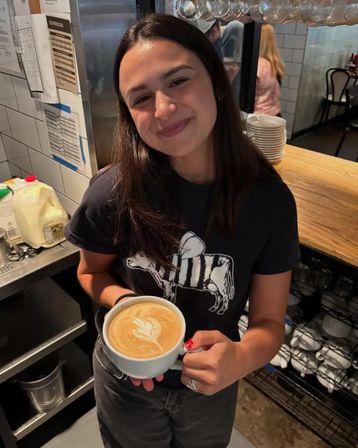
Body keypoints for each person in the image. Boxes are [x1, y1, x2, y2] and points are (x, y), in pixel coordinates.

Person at [65, 13, 299, 448]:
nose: (164, 108)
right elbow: (89, 273)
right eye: (140, 98)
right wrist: (128, 306)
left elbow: (268, 323)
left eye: (178, 81)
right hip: (126, 381)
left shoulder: (269, 202)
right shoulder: (112, 192)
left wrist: (239, 358)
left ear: (214, 77)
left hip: (209, 390)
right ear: (129, 114)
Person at [254, 24, 285, 116]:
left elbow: (251, 97)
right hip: (275, 115)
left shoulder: (258, 65)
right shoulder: (276, 64)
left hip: (259, 118)